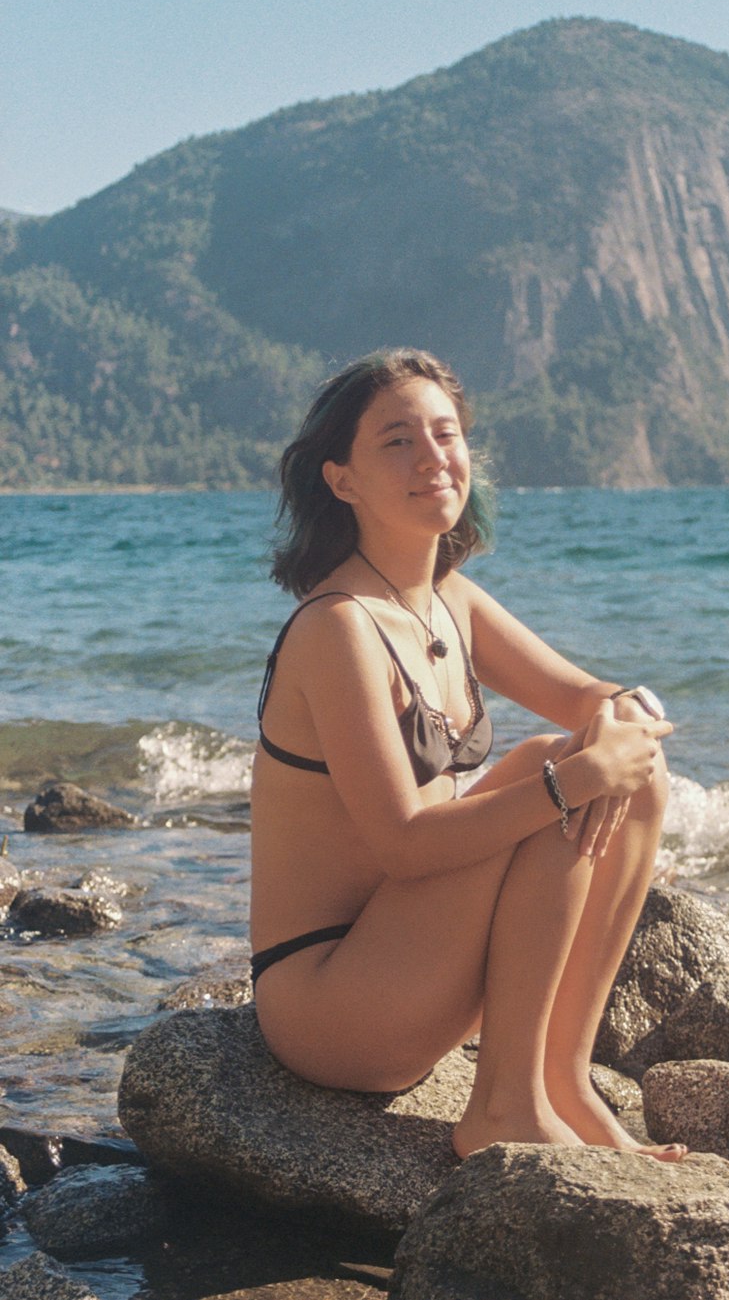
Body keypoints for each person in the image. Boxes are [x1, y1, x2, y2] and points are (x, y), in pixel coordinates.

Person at [250, 347, 685, 1161]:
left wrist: (628, 711)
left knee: (625, 762)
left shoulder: (450, 597)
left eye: (444, 434)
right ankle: (504, 1106)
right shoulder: (338, 626)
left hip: (414, 964)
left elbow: (590, 694)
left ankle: (561, 1078)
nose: (432, 458)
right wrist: (574, 775)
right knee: (557, 773)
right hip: (329, 1003)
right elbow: (404, 843)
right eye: (397, 442)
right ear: (341, 479)